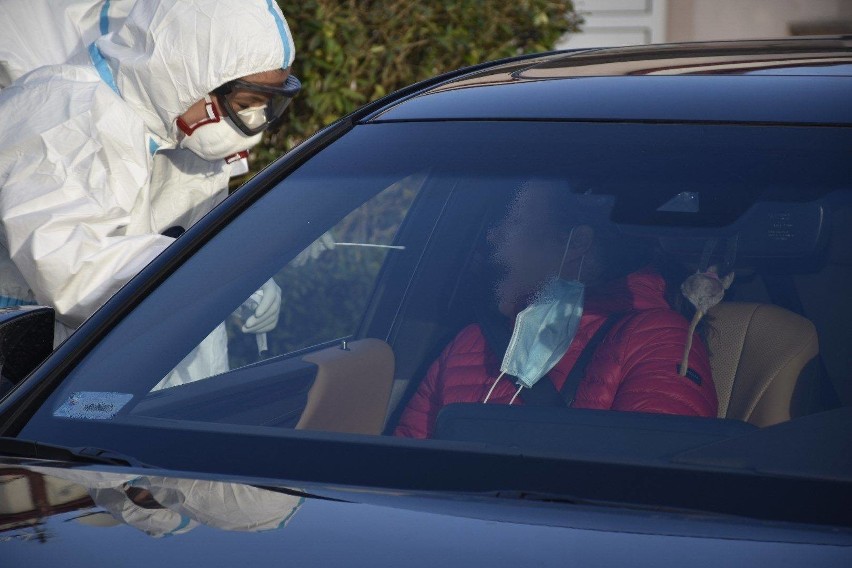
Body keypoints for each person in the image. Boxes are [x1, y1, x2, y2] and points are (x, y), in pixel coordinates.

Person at [0, 0, 297, 350]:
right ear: (191, 74)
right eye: (246, 104)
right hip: (32, 367)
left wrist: (240, 283)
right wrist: (215, 273)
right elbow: (70, 271)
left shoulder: (182, 130)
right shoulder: (65, 115)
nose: (252, 121)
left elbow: (187, 253)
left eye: (265, 105)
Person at [394, 180, 718, 439]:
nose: (491, 236)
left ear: (575, 244)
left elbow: (651, 486)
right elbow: (402, 471)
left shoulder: (656, 339)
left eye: (511, 219)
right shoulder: (471, 341)